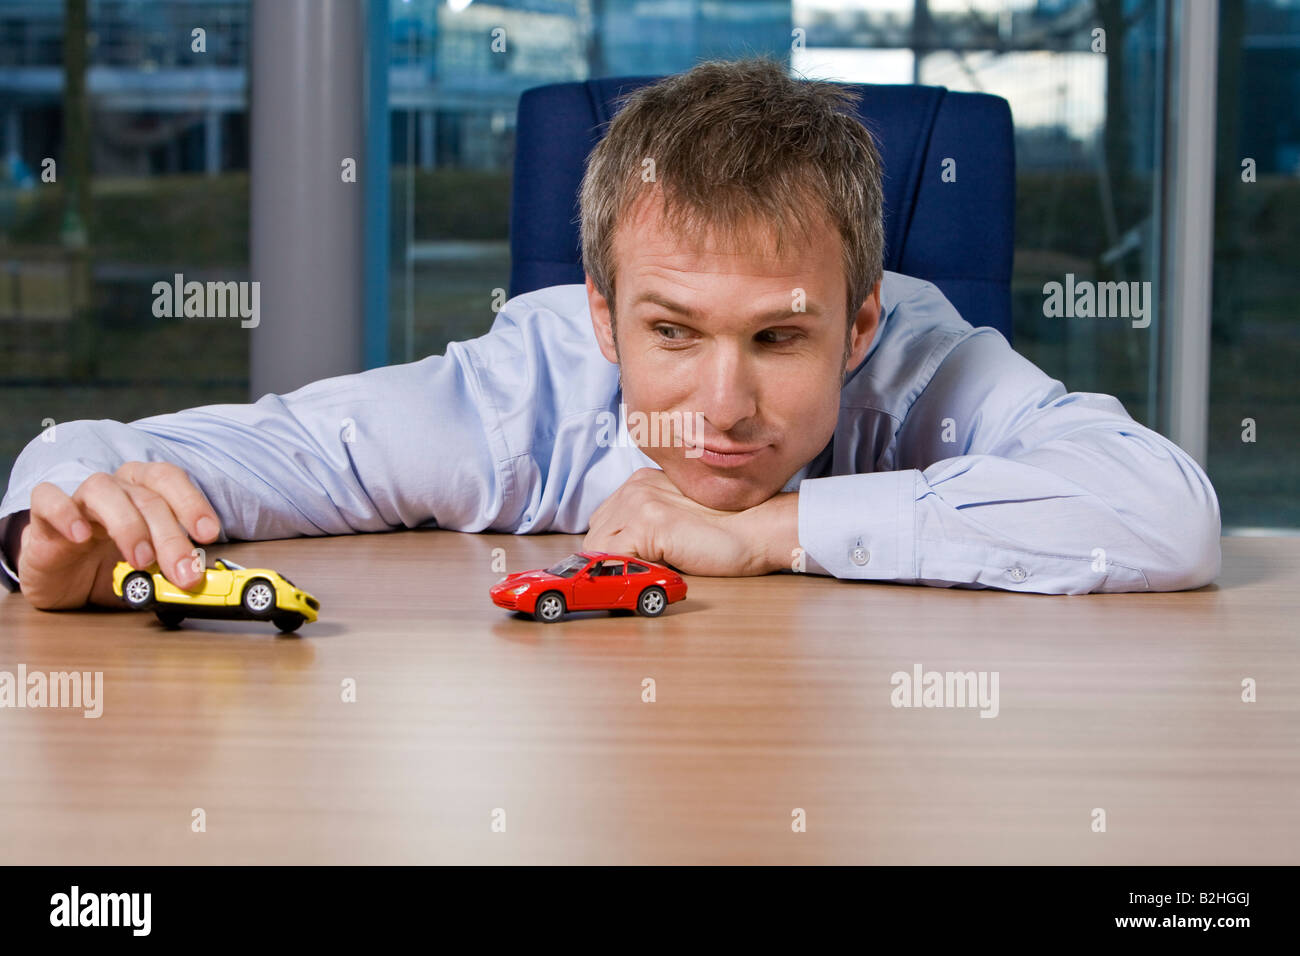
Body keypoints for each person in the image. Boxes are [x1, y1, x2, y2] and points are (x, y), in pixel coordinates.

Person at [0, 57, 1221, 609]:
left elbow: (1165, 510)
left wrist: (769, 534)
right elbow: (160, 450)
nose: (724, 405)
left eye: (781, 340)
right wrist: (64, 519)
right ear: (600, 316)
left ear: (858, 320)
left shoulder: (927, 354)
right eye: (673, 331)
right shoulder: (522, 385)